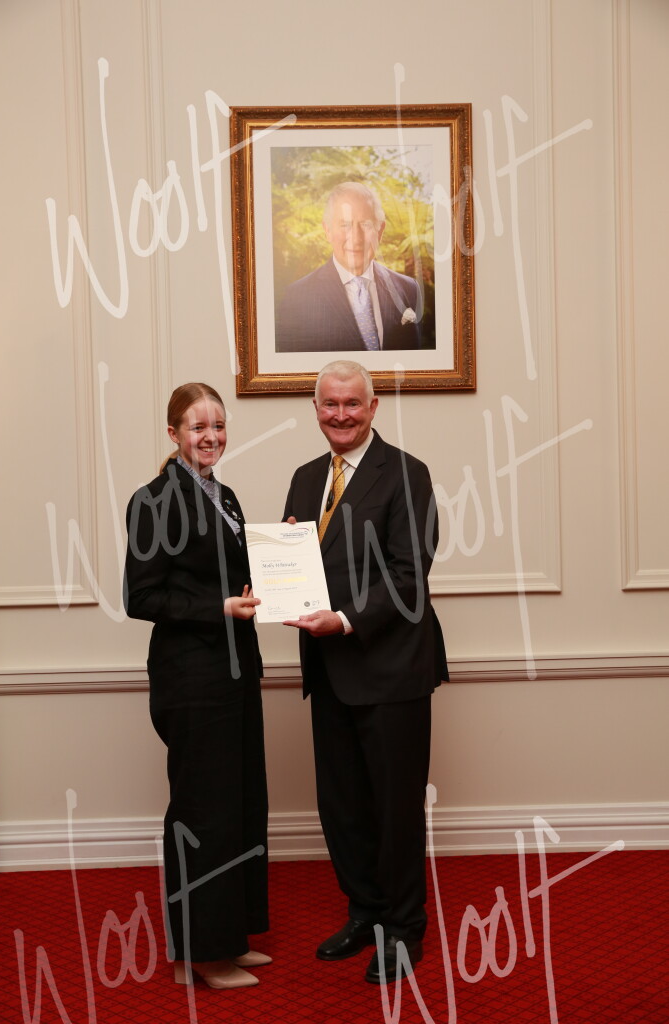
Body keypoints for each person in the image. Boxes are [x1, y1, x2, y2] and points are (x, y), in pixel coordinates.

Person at [282, 360, 448, 984]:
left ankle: (404, 930)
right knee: (342, 806)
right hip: (328, 670)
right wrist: (275, 585)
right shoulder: (305, 478)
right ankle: (366, 914)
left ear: (373, 407)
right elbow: (296, 564)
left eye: (353, 403)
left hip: (391, 670)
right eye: (330, 404)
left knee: (394, 809)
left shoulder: (407, 474)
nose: (341, 415)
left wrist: (346, 620)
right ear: (316, 409)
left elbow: (410, 574)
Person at [124, 383, 270, 991]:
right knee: (204, 811)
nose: (211, 437)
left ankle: (227, 937)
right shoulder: (153, 500)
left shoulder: (224, 494)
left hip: (235, 671)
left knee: (240, 804)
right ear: (173, 433)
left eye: (218, 425)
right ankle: (203, 957)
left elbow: (233, 573)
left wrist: (281, 550)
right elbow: (141, 596)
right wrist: (218, 610)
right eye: (197, 427)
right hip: (191, 677)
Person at [275, 182, 425, 352]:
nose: (356, 238)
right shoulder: (296, 298)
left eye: (366, 224)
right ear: (327, 230)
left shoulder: (409, 289)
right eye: (345, 225)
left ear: (380, 231)